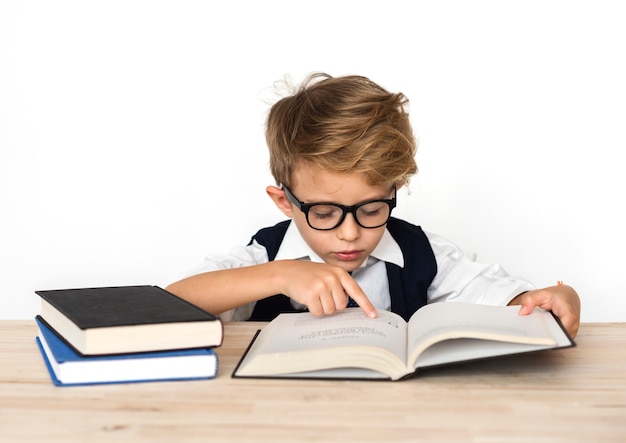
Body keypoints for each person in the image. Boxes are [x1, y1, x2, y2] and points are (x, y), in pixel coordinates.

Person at [166, 72, 581, 338]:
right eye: (325, 213)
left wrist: (546, 298)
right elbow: (173, 301)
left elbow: (502, 296)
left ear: (395, 189)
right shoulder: (264, 258)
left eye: (370, 210)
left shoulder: (423, 255)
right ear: (284, 202)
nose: (350, 233)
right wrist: (278, 275)